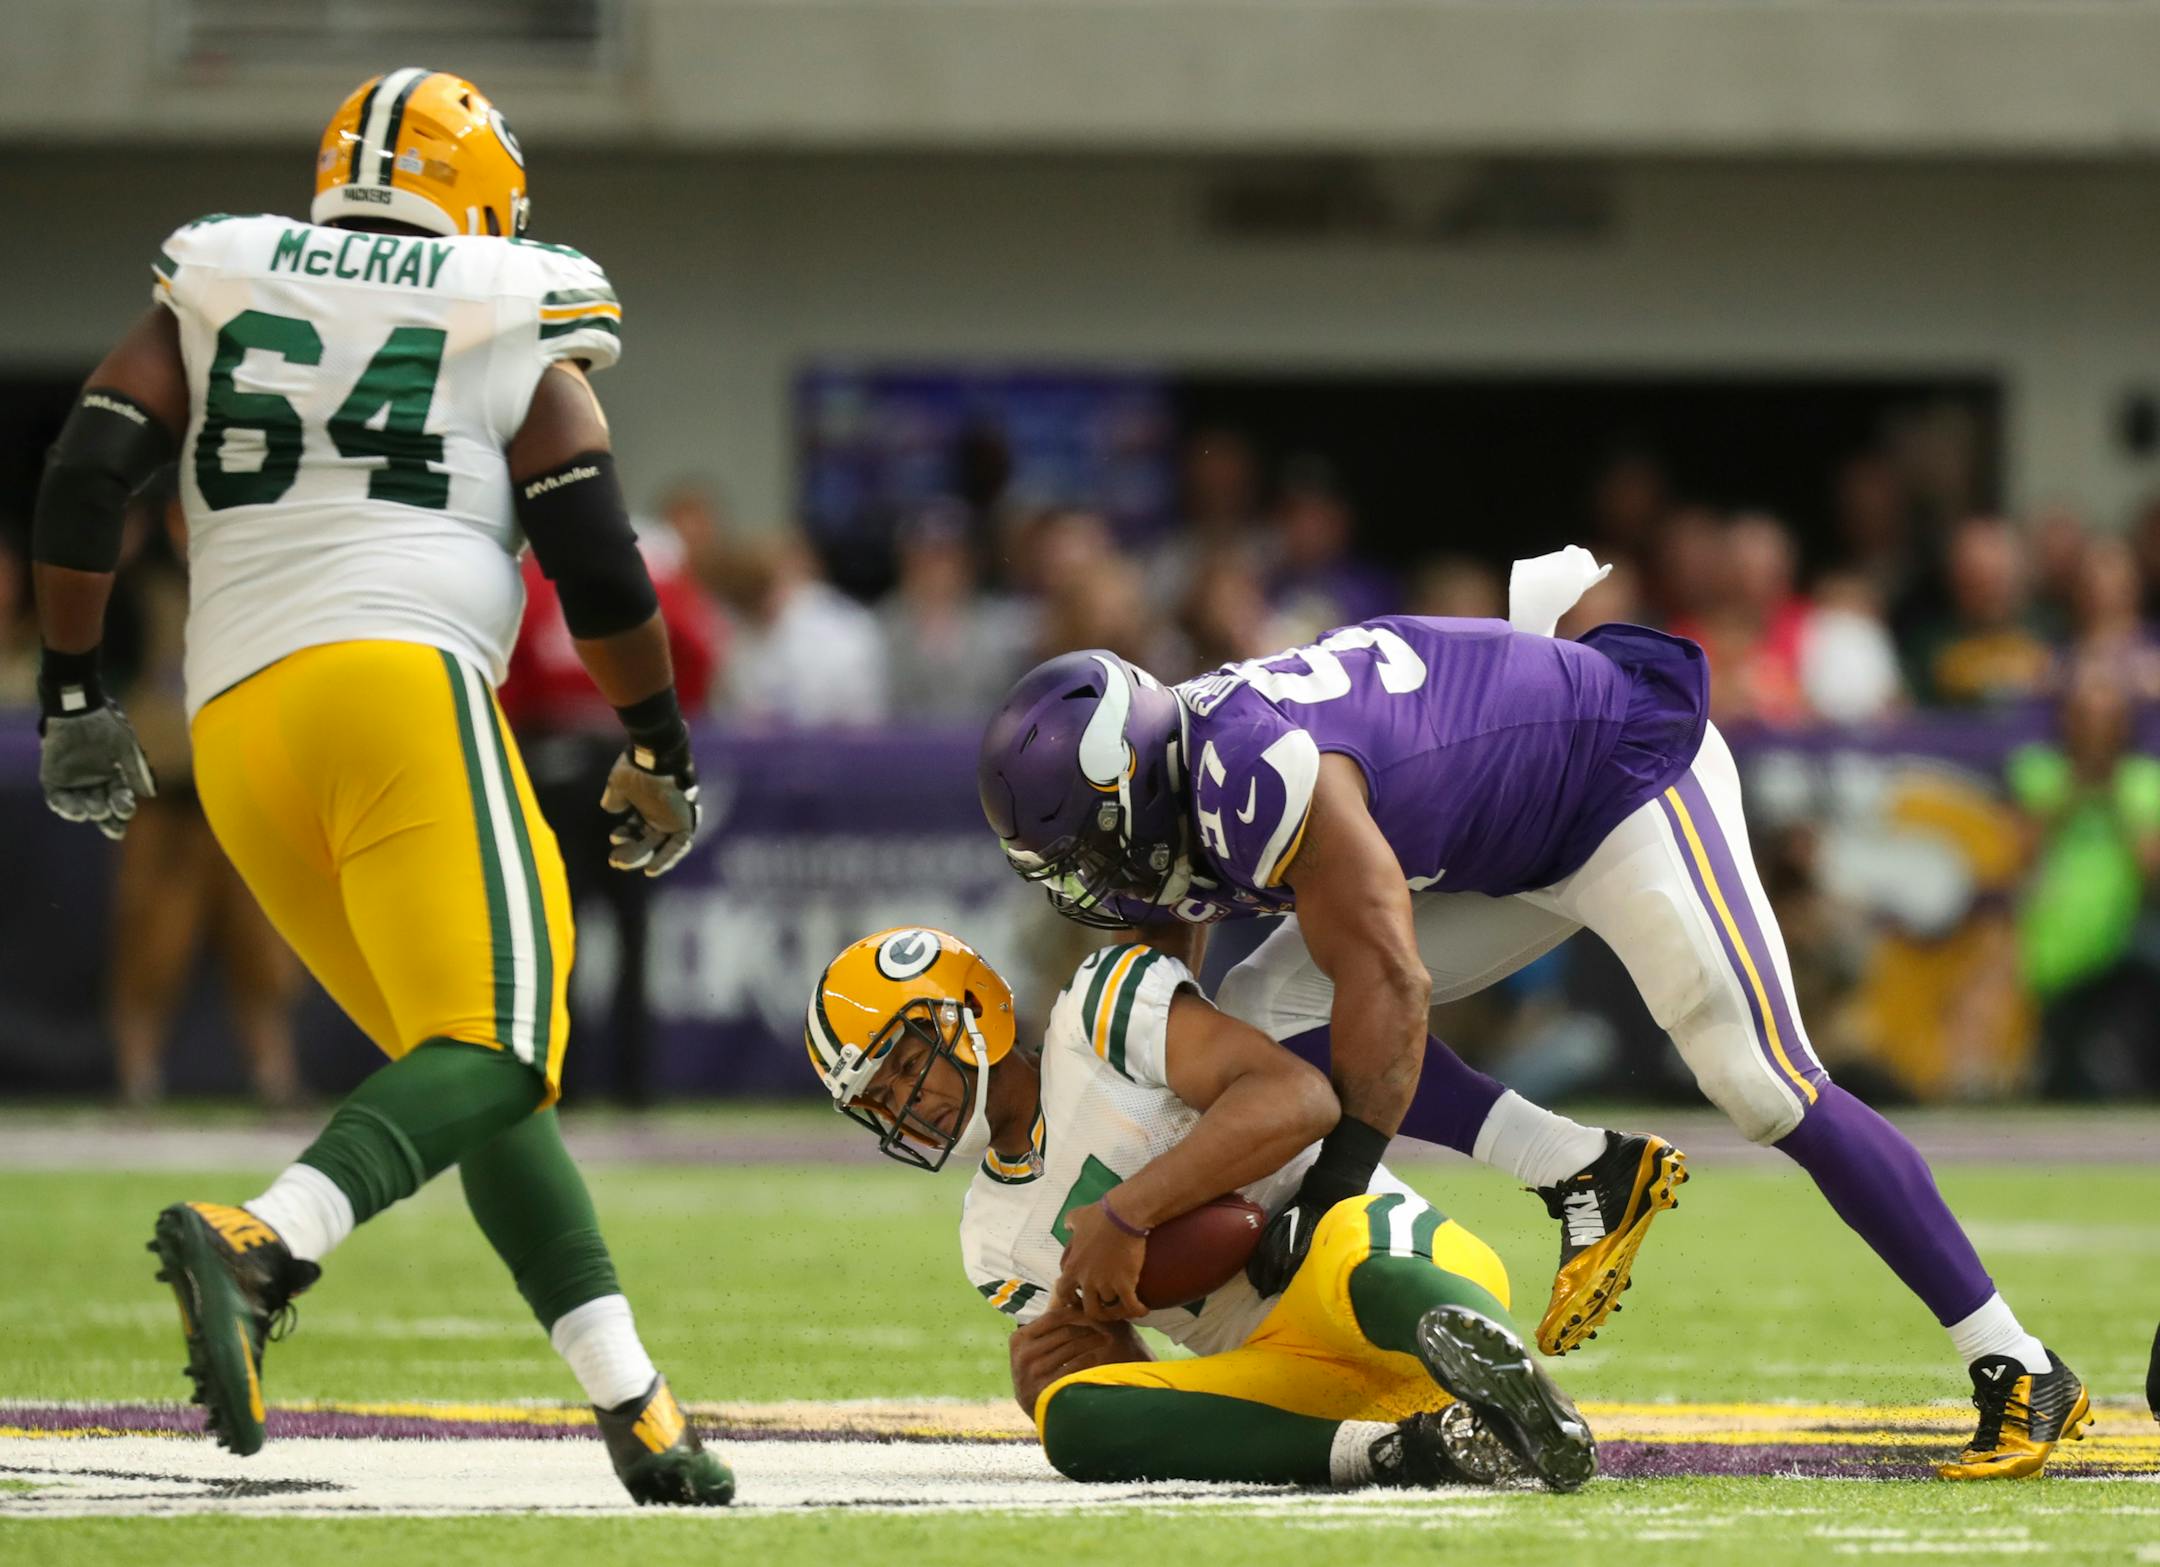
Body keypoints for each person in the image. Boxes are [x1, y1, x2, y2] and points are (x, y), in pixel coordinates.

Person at [977, 547, 2090, 1481]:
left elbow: (1394, 986)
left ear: (1130, 781)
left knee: (1760, 1081)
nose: (1086, 876)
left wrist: (1330, 1191)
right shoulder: (1170, 792)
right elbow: (1180, 1007)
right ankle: (1583, 1168)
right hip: (1492, 834)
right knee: (1266, 1004)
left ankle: (2018, 1362)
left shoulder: (1247, 771)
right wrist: (1144, 1188)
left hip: (1611, 775)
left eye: (1085, 840)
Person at [27, 69, 731, 1504]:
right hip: (398, 681)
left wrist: (71, 688)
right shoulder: (506, 290)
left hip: (234, 727)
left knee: (469, 1072)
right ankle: (268, 1238)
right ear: (479, 196)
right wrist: (657, 738)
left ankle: (636, 1402)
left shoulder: (225, 267)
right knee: (506, 1038)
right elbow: (594, 548)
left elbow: (92, 465)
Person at [802, 925, 1596, 1492]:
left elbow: (1298, 1098)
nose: (907, 1103)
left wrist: (1127, 1213)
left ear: (973, 1009)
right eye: (876, 1098)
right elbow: (1148, 1388)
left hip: (1373, 1259)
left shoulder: (1096, 1014)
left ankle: (1530, 1400)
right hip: (1285, 1367)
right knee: (1071, 1419)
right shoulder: (990, 1241)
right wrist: (1071, 1371)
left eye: (907, 1063)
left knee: (1357, 1258)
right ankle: (1400, 1453)